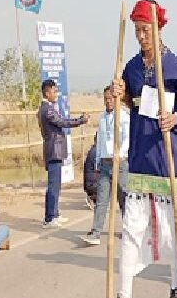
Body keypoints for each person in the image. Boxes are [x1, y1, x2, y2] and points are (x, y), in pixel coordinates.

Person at [99, 0, 177, 298]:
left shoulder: (175, 66)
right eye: (138, 31)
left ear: (158, 29)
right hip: (140, 158)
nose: (141, 36)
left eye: (146, 30)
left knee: (171, 233)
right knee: (130, 231)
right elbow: (131, 102)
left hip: (168, 159)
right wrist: (121, 94)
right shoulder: (131, 67)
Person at [81, 86, 130, 245]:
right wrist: (98, 160)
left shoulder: (124, 117)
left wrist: (120, 154)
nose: (108, 101)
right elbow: (100, 141)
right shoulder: (102, 118)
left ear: (117, 99)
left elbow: (127, 138)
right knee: (101, 200)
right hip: (104, 164)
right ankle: (95, 233)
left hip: (120, 163)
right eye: (106, 99)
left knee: (123, 199)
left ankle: (129, 230)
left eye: (110, 98)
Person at [37, 79, 89, 229]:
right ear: (47, 93)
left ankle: (55, 214)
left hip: (55, 150)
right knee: (53, 186)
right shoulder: (47, 110)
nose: (56, 94)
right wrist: (81, 120)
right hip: (54, 150)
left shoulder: (48, 108)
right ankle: (49, 218)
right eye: (54, 91)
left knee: (56, 185)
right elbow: (62, 122)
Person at [83, 134, 99, 210]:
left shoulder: (94, 150)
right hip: (92, 183)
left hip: (91, 182)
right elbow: (98, 168)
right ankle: (93, 196)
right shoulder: (95, 152)